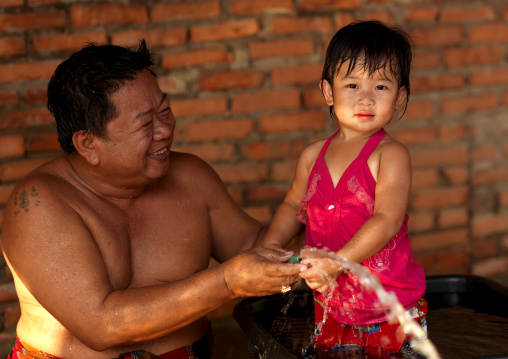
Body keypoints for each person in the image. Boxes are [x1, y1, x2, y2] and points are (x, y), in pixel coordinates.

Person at [1, 40, 306, 359]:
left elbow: (259, 246)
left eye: (165, 111)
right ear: (88, 144)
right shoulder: (38, 202)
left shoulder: (190, 177)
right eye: (146, 123)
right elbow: (100, 325)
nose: (165, 130)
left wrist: (339, 232)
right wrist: (228, 282)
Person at [262, 20, 427, 356]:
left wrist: (335, 263)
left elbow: (387, 219)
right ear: (328, 91)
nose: (366, 98)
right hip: (331, 304)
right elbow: (292, 206)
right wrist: (270, 249)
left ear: (400, 97)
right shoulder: (312, 156)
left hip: (390, 311)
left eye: (381, 87)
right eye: (352, 84)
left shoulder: (390, 154)